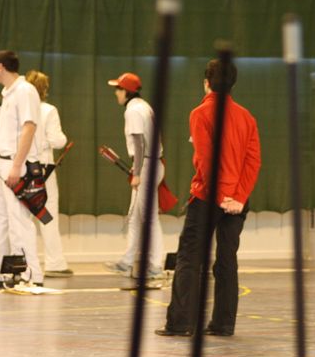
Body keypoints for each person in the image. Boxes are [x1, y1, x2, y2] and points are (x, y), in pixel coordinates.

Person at [157, 59, 261, 338]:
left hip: (207, 198)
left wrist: (221, 195)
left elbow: (206, 160)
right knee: (227, 258)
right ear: (233, 84)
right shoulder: (247, 117)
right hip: (236, 202)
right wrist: (237, 197)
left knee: (190, 257)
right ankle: (224, 324)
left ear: (206, 83)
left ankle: (180, 323)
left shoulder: (200, 113)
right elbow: (253, 162)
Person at [0, 50, 44, 288]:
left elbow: (29, 128)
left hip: (17, 164)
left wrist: (16, 165)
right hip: (2, 163)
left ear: (1, 67)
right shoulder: (8, 94)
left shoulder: (25, 91)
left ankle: (31, 274)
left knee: (19, 221)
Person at [104, 72, 165, 286]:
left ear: (126, 91)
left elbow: (139, 143)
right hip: (150, 163)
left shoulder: (133, 110)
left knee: (148, 218)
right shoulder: (144, 106)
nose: (116, 93)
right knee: (136, 218)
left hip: (146, 165)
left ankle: (156, 266)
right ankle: (127, 262)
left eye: (118, 89)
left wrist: (138, 172)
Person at [24, 70, 72, 277]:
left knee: (22, 217)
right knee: (47, 215)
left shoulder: (18, 108)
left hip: (21, 167)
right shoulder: (48, 110)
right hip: (43, 169)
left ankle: (22, 262)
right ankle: (55, 263)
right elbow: (58, 140)